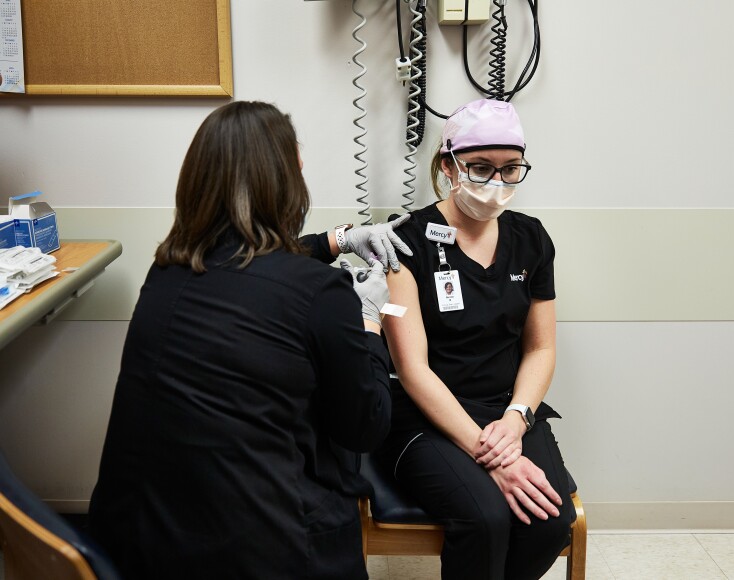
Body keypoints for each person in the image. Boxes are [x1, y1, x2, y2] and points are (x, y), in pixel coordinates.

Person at [88, 101, 397, 580]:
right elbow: (366, 426)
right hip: (263, 554)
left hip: (137, 542)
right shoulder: (321, 293)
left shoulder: (168, 270)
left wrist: (337, 239)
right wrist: (370, 321)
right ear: (284, 183)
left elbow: (250, 258)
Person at [378, 98, 575, 580]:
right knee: (485, 519)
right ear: (448, 165)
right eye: (481, 168)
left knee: (550, 523)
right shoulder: (404, 239)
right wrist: (488, 453)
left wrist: (516, 419)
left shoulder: (531, 239)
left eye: (511, 169)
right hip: (425, 417)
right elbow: (412, 369)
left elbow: (540, 348)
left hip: (507, 411)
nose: (497, 183)